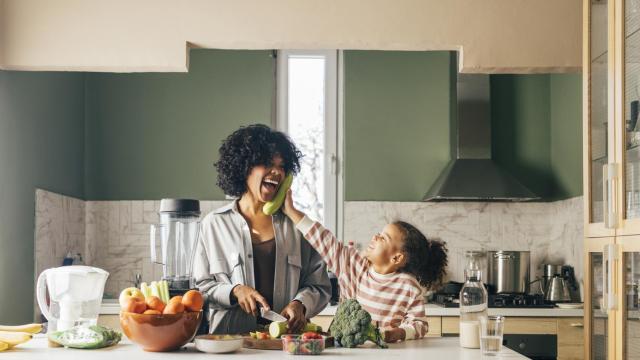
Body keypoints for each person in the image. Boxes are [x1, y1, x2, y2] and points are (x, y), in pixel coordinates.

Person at [193, 124, 331, 334]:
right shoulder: (213, 225)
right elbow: (200, 288)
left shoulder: (297, 227)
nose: (276, 172)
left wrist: (300, 304)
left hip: (285, 347)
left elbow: (319, 286)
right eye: (267, 163)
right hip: (230, 348)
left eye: (282, 166)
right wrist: (235, 291)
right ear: (244, 167)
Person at [282, 189, 447, 342]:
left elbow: (419, 325)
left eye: (384, 238)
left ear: (396, 258)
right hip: (343, 349)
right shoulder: (354, 266)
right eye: (379, 233)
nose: (375, 236)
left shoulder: (408, 287)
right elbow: (324, 239)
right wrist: (291, 211)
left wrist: (396, 333)